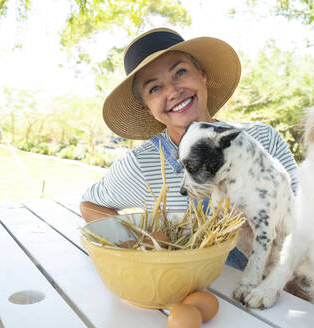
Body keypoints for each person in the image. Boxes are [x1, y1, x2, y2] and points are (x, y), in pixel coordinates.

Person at [79, 27, 298, 270]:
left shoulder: (262, 139)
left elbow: (305, 217)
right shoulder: (142, 164)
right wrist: (138, 244)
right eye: (154, 88)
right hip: (190, 293)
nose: (173, 91)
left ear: (202, 75)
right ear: (145, 107)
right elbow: (90, 205)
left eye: (180, 72)